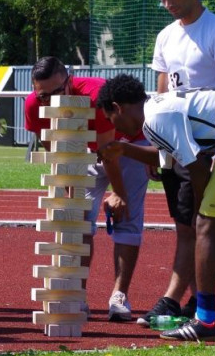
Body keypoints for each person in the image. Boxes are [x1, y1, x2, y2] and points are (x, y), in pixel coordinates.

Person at [97, 75, 215, 340]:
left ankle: (206, 320)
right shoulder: (158, 109)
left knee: (206, 224)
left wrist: (203, 214)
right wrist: (124, 149)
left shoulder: (156, 118)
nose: (114, 126)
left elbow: (196, 167)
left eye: (110, 118)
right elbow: (171, 160)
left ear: (118, 107)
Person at [139, 0, 215, 326]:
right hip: (175, 147)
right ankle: (197, 301)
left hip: (207, 149)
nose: (169, 4)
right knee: (185, 224)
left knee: (201, 225)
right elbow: (162, 96)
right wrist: (156, 146)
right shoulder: (165, 36)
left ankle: (178, 300)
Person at [24, 56, 150, 322]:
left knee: (127, 218)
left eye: (57, 92)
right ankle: (78, 295)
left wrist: (120, 193)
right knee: (78, 221)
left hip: (126, 146)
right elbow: (52, 147)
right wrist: (68, 189)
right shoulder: (34, 105)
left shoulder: (94, 96)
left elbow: (110, 153)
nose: (51, 101)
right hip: (86, 153)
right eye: (43, 95)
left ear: (69, 80)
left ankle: (119, 297)